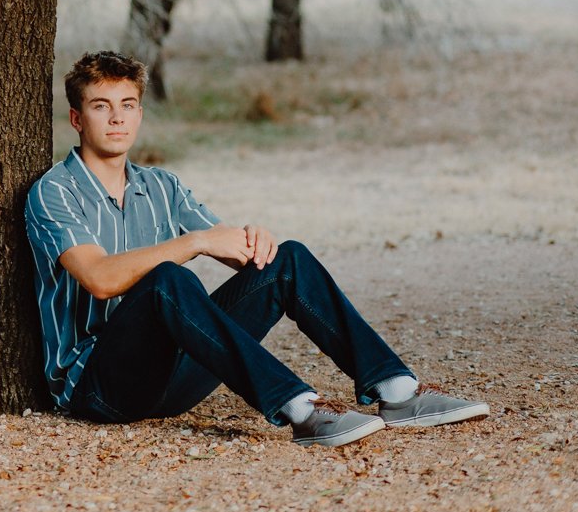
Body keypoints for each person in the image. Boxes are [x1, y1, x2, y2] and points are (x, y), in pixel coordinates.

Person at [25, 50, 489, 447]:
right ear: (76, 118)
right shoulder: (55, 190)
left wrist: (255, 244)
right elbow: (100, 279)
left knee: (287, 258)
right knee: (169, 278)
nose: (117, 118)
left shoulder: (160, 185)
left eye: (128, 105)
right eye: (101, 106)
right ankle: (300, 411)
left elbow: (235, 249)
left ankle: (397, 392)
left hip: (174, 379)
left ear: (140, 114)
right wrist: (195, 243)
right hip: (100, 388)